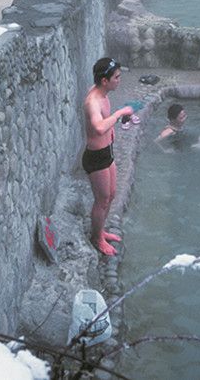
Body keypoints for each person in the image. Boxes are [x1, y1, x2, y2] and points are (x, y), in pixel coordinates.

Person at [83, 58, 133, 255]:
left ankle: (100, 231)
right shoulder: (93, 102)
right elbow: (98, 127)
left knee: (111, 195)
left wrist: (119, 119)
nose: (119, 81)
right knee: (101, 200)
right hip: (96, 157)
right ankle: (96, 239)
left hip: (107, 152)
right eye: (117, 77)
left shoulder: (102, 92)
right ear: (105, 81)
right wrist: (119, 113)